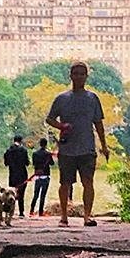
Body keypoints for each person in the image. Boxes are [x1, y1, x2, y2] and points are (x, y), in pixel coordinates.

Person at [46, 61, 109, 227]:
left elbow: (99, 124)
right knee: (64, 183)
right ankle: (64, 216)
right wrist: (61, 126)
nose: (79, 76)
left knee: (88, 182)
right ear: (71, 76)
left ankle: (87, 216)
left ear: (86, 76)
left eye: (82, 73)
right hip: (67, 148)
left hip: (87, 147)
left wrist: (104, 146)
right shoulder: (61, 99)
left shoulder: (92, 98)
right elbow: (49, 118)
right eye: (76, 73)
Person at [3, 134, 29, 217]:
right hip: (22, 175)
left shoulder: (8, 151)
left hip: (12, 175)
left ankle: (9, 211)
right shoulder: (24, 151)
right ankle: (21, 212)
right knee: (21, 194)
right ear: (21, 141)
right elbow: (27, 163)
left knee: (11, 194)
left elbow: (6, 163)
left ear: (14, 141)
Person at [29, 137, 55, 217]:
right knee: (43, 195)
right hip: (46, 175)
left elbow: (34, 164)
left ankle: (31, 210)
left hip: (37, 176)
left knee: (35, 194)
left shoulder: (35, 154)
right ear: (46, 144)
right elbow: (52, 163)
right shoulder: (48, 154)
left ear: (40, 144)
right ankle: (40, 212)